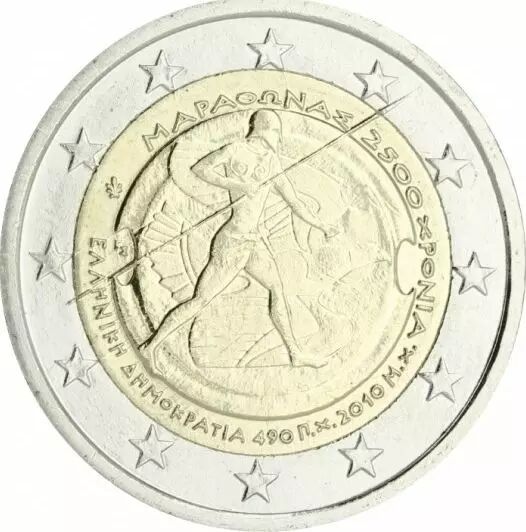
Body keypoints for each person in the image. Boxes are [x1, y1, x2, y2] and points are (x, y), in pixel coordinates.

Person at [142, 109, 336, 369]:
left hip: (253, 241)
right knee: (201, 300)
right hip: (233, 241)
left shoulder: (271, 161)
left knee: (277, 288)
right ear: (267, 130)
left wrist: (322, 225)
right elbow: (200, 168)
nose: (278, 138)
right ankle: (151, 346)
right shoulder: (236, 149)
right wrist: (238, 185)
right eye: (276, 131)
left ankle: (295, 354)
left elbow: (295, 200)